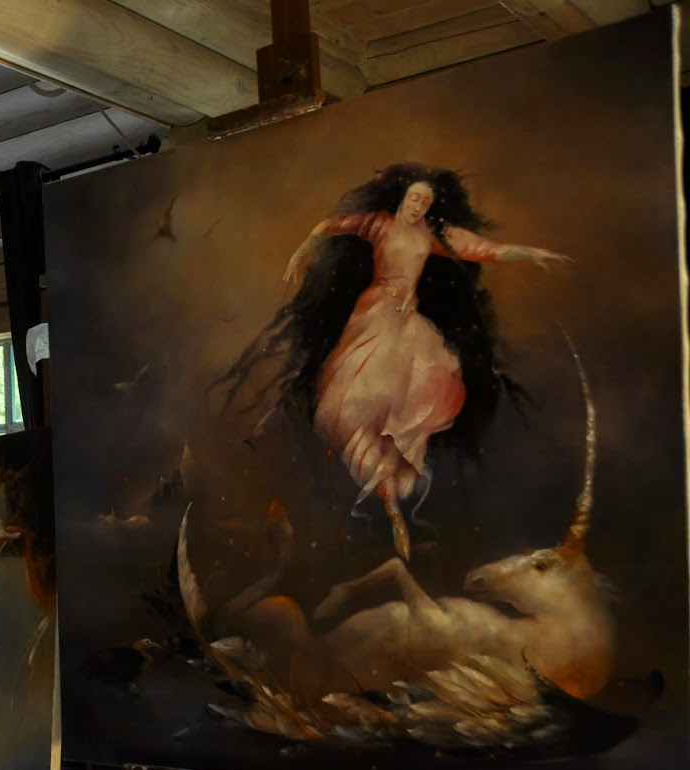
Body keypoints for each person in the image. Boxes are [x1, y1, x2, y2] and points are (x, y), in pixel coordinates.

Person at [222, 163, 569, 560]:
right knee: (362, 402)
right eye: (414, 198)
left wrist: (532, 253)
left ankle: (391, 501)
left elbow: (485, 249)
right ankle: (386, 501)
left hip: (408, 326)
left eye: (426, 202)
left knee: (411, 404)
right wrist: (300, 254)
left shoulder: (432, 236)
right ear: (403, 198)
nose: (418, 206)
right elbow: (328, 227)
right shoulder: (378, 224)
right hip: (373, 317)